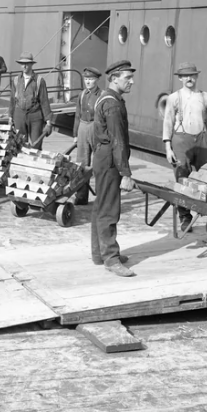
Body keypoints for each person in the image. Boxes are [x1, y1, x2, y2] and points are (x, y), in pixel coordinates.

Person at [91, 60, 137, 277]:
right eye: (128, 78)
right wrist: (126, 174)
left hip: (102, 157)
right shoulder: (113, 104)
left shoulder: (105, 97)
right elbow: (118, 141)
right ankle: (111, 258)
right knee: (109, 209)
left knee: (100, 205)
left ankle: (99, 253)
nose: (132, 81)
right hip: (110, 160)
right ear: (114, 78)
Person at [162, 62, 207, 231]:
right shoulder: (174, 97)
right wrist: (167, 148)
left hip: (203, 139)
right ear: (180, 78)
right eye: (185, 76)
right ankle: (185, 217)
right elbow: (168, 122)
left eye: (192, 75)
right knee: (182, 178)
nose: (189, 78)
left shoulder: (206, 97)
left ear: (197, 77)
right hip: (181, 140)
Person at [9, 52, 53, 149]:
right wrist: (10, 117)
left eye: (27, 64)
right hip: (19, 114)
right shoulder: (16, 80)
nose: (24, 66)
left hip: (35, 116)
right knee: (19, 144)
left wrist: (48, 122)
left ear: (31, 64)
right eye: (22, 64)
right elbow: (12, 100)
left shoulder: (39, 80)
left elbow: (44, 101)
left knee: (36, 145)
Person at [74, 67, 103, 206]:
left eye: (91, 79)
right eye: (86, 79)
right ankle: (81, 197)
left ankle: (101, 197)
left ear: (97, 80)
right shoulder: (82, 95)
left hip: (95, 128)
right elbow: (77, 115)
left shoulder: (102, 95)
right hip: (82, 127)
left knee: (98, 164)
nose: (88, 82)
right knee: (81, 164)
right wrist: (75, 134)